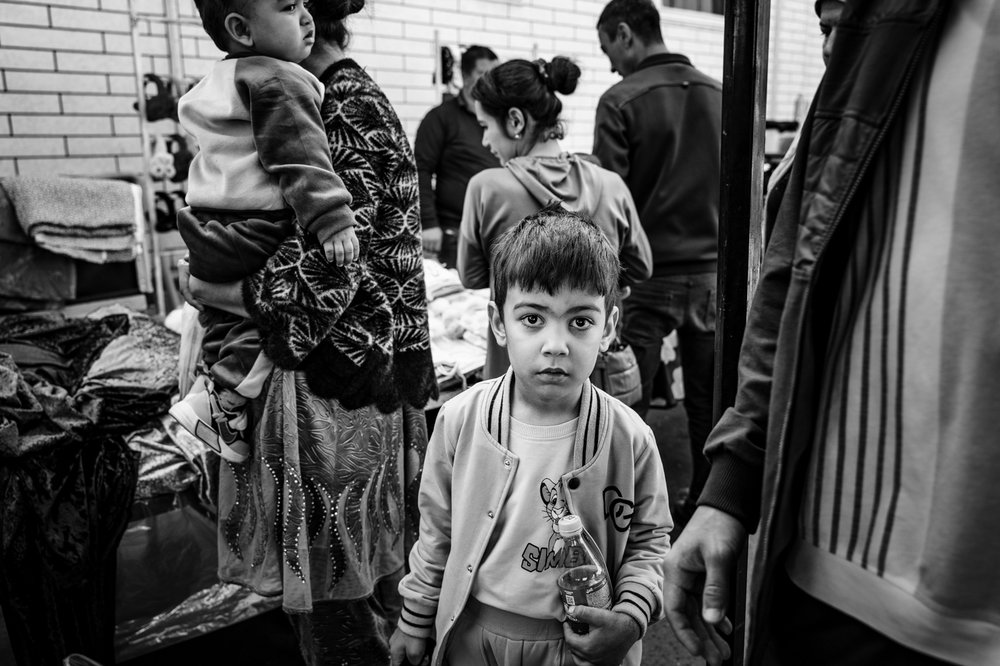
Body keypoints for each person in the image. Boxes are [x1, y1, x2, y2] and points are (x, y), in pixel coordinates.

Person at [666, 1, 1000, 665]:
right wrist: (731, 483)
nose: (828, 31)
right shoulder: (881, 41)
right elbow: (790, 274)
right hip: (831, 579)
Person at [179, 1, 437, 663]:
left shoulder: (328, 106)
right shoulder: (331, 94)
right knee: (370, 594)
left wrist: (218, 290)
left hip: (326, 401)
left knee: (344, 613)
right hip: (342, 388)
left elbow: (331, 271)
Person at [389, 209, 671, 666]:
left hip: (580, 647)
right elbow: (437, 529)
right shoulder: (461, 419)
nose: (555, 344)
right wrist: (416, 618)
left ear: (609, 328)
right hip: (472, 634)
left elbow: (649, 540)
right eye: (532, 319)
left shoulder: (630, 436)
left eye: (580, 321)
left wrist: (632, 617)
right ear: (499, 324)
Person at [170, 0, 360, 463]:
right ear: (242, 28)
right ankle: (226, 401)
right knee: (278, 311)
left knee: (232, 316)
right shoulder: (279, 79)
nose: (305, 18)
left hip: (206, 222)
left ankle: (212, 390)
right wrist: (332, 218)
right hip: (257, 225)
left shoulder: (219, 80)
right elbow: (300, 157)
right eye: (288, 7)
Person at [593, 0, 723, 520]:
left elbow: (608, 203)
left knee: (627, 403)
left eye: (608, 49)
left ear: (625, 34)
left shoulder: (620, 100)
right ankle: (704, 508)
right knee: (708, 405)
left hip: (648, 279)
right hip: (715, 275)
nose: (609, 64)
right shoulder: (723, 95)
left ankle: (626, 514)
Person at [458, 56, 653, 379]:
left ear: (515, 121)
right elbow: (640, 265)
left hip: (517, 377)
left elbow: (471, 275)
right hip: (593, 375)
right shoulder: (611, 185)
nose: (484, 141)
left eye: (485, 126)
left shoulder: (486, 188)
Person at [414, 45, 500, 267]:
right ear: (465, 75)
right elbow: (420, 171)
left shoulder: (500, 119)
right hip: (455, 232)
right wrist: (429, 223)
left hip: (498, 231)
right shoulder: (440, 117)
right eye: (483, 73)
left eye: (494, 73)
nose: (490, 80)